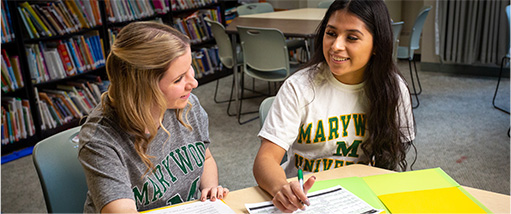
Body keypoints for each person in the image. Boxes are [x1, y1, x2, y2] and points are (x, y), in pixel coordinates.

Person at [253, 0, 416, 212]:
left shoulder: (394, 89)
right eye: (331, 33)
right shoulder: (299, 87)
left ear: (377, 45)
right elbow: (265, 160)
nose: (336, 46)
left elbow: (394, 156)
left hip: (360, 195)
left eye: (352, 37)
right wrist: (282, 187)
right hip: (305, 200)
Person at [78, 21, 228, 213]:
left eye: (189, 68)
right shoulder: (100, 140)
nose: (194, 82)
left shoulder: (188, 105)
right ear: (143, 88)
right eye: (178, 79)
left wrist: (209, 189)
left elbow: (205, 158)